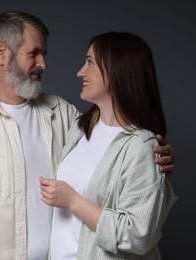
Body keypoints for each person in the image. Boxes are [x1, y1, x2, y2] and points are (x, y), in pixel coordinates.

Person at [0, 11, 175, 260]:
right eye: (34, 53)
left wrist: (156, 161)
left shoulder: (64, 114)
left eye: (44, 54)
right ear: (1, 53)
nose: (43, 64)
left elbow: (114, 149)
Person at [40, 32, 177, 260]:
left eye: (90, 62)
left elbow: (137, 235)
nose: (80, 72)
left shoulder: (141, 146)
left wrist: (73, 201)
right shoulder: (79, 128)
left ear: (117, 70)